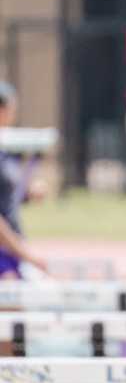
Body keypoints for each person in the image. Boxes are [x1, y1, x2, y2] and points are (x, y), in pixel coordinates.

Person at [0, 83, 48, 280]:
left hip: (11, 246)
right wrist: (26, 254)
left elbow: (6, 196)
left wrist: (28, 193)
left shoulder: (6, 150)